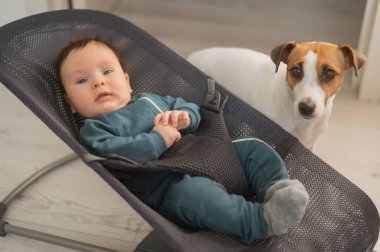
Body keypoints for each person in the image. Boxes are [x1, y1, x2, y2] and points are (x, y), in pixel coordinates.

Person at [57, 37, 309, 243]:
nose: (98, 82)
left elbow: (188, 108)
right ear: (72, 105)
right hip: (169, 185)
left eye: (107, 71)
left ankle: (277, 188)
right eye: (82, 80)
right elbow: (116, 154)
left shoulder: (150, 99)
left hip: (211, 155)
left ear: (127, 81)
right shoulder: (94, 129)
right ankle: (260, 220)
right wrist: (158, 139)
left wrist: (185, 117)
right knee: (197, 197)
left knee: (253, 147)